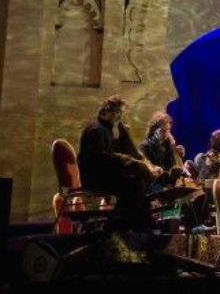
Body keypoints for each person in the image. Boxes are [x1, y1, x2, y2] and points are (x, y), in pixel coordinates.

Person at [77, 95, 157, 230]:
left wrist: (147, 165)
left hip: (105, 176)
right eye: (117, 112)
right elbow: (102, 158)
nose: (119, 116)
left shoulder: (108, 129)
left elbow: (128, 152)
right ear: (106, 111)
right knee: (136, 185)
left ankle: (142, 229)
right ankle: (114, 228)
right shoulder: (96, 130)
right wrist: (126, 161)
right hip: (96, 179)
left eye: (121, 113)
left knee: (139, 185)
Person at [138, 111, 184, 189]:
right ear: (154, 130)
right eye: (162, 131)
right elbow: (148, 169)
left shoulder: (169, 145)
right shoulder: (144, 146)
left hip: (169, 183)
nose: (166, 133)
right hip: (154, 185)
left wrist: (179, 155)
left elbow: (173, 168)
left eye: (168, 130)